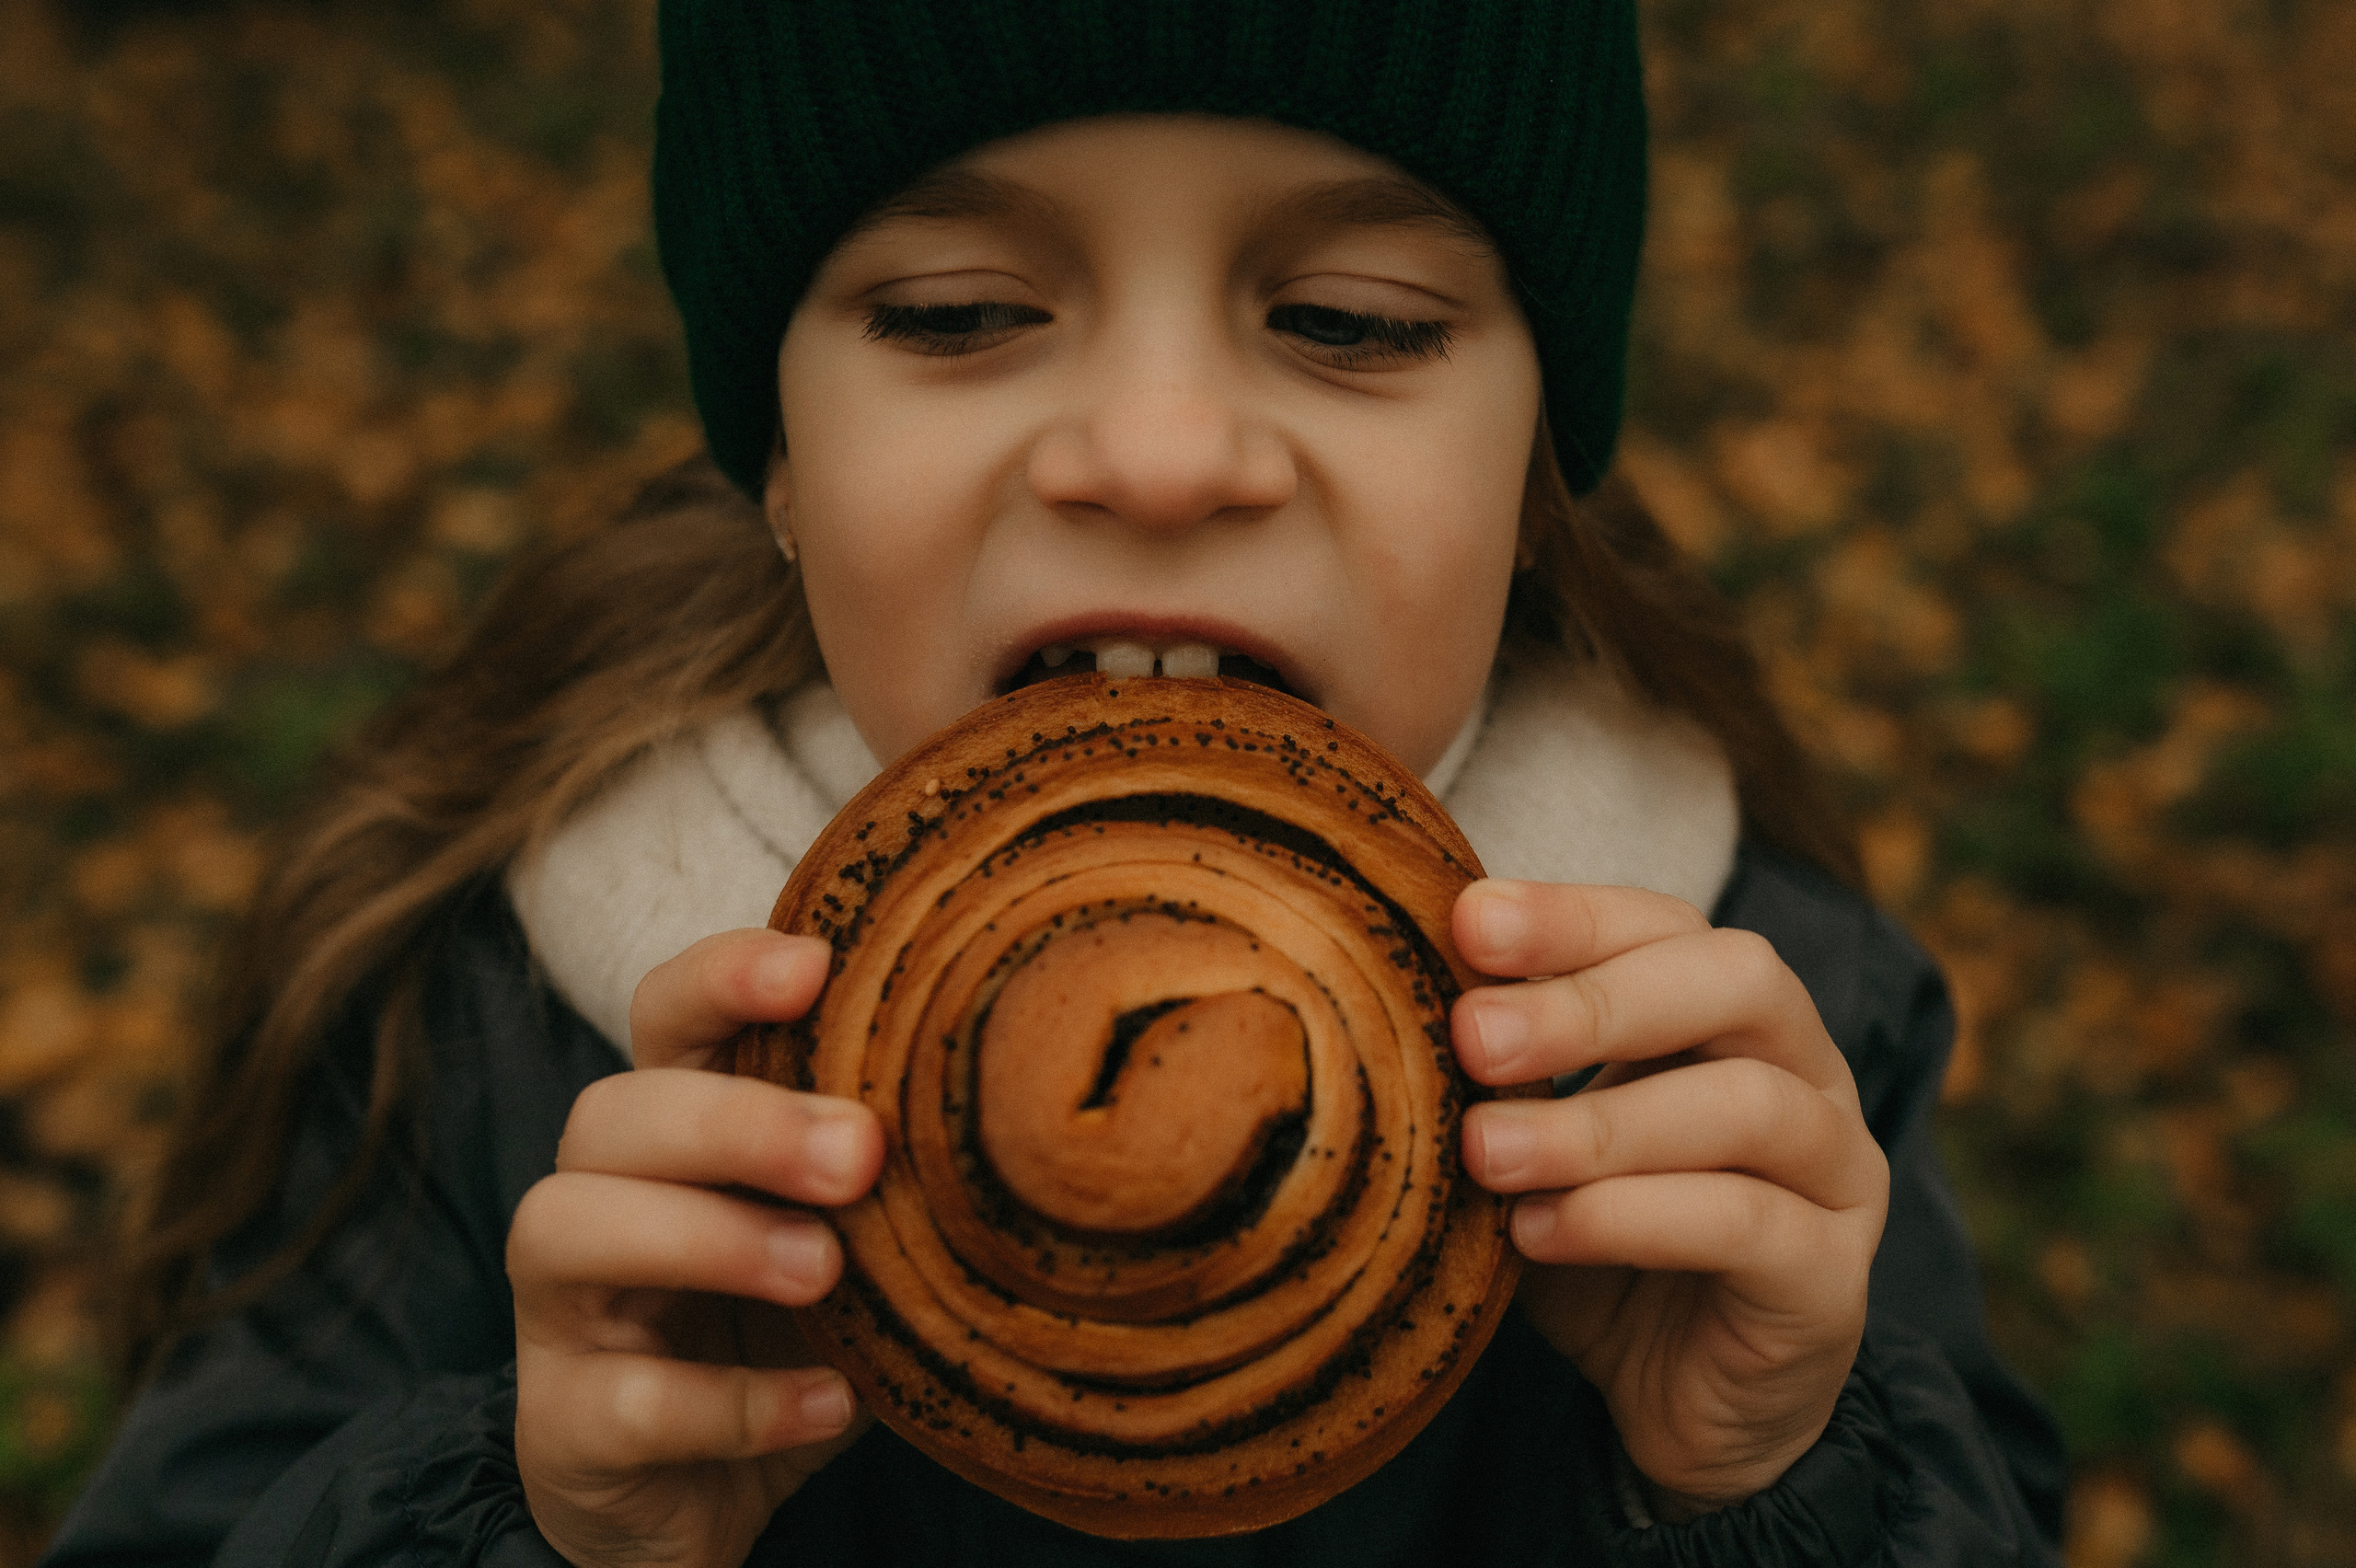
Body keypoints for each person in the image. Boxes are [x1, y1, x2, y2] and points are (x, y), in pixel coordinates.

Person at [45, 2, 2067, 1563]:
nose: (1164, 451)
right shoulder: (477, 1017)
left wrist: (1768, 1486)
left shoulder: (1734, 1049)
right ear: (772, 455)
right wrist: (526, 1517)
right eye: (955, 314)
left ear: (1538, 466)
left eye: (1351, 323)